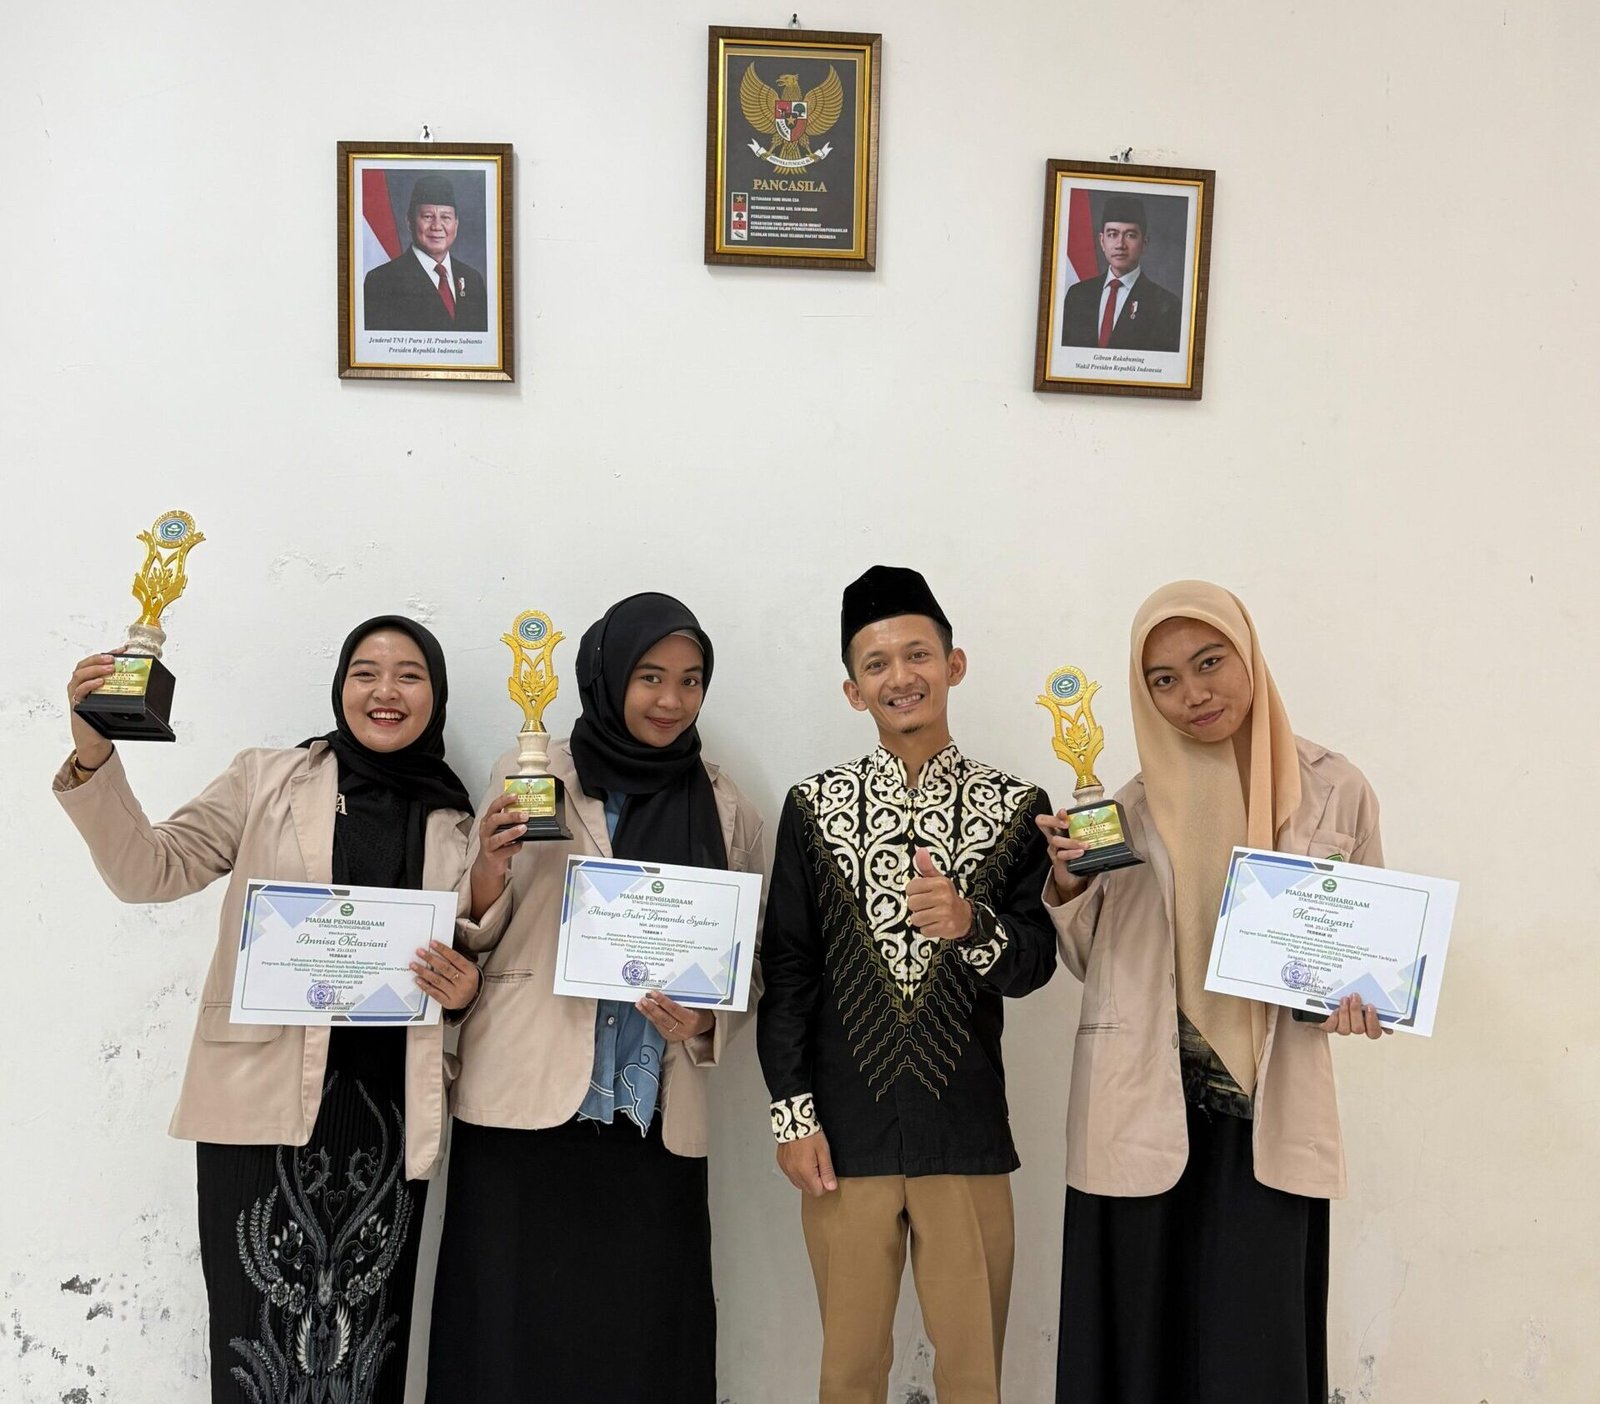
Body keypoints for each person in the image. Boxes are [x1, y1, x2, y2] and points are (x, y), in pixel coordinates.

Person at [56, 616, 482, 1404]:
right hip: (257, 1111)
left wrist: (463, 993)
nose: (385, 690)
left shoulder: (458, 821)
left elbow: (466, 961)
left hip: (386, 1120)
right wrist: (94, 756)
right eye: (365, 672)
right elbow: (150, 870)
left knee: (366, 1355)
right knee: (256, 1353)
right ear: (341, 686)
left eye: (409, 674)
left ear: (436, 695)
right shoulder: (267, 780)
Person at [1039, 580, 1387, 1404]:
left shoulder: (1334, 789)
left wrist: (1359, 995)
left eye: (1209, 662)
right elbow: (1089, 961)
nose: (1192, 694)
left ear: (1248, 654)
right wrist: (1069, 883)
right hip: (1140, 1103)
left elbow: (1367, 949)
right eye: (1163, 679)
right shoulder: (1124, 808)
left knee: (1255, 1356)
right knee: (1138, 1355)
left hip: (1266, 1107)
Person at [425, 592, 764, 1404]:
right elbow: (470, 931)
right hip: (525, 1105)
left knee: (641, 1344)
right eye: (650, 677)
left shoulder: (726, 806)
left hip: (650, 1118)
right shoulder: (533, 775)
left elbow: (747, 963)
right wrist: (489, 871)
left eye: (690, 680)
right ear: (608, 678)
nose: (671, 699)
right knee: (508, 1339)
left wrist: (707, 1018)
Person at [758, 564, 1057, 1404]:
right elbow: (788, 969)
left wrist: (970, 924)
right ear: (853, 691)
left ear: (954, 664)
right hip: (841, 1139)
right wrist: (792, 1117)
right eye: (877, 663)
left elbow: (1036, 963)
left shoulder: (1017, 806)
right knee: (848, 1373)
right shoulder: (813, 807)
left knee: (974, 1376)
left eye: (918, 654)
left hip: (964, 1130)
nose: (901, 676)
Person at [362, 174, 489, 332]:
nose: (437, 226)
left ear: (456, 224)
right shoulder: (381, 281)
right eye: (428, 217)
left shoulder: (472, 279)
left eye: (446, 217)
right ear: (409, 222)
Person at [1060, 195, 1182, 353]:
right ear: (1102, 241)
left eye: (1130, 235)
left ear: (1144, 243)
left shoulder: (1166, 305)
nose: (1120, 244)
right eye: (1112, 234)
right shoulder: (1077, 295)